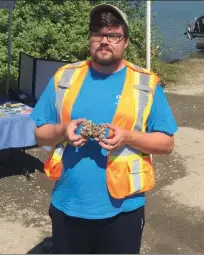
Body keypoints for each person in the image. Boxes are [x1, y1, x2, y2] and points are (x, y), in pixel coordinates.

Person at [30, 4, 178, 254]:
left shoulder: (146, 84)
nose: (105, 40)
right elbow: (39, 133)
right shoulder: (64, 77)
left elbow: (167, 144)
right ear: (90, 38)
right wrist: (63, 130)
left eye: (114, 34)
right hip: (68, 204)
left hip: (123, 210)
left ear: (126, 41)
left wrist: (128, 137)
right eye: (98, 33)